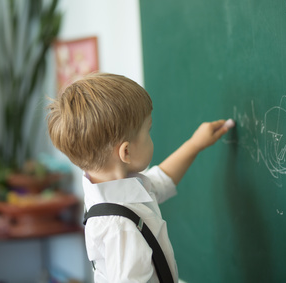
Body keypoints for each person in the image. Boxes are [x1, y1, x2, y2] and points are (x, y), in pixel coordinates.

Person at [47, 73, 232, 282]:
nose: (151, 136)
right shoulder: (120, 228)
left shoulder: (104, 187)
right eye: (148, 131)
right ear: (126, 152)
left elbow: (158, 182)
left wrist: (195, 145)